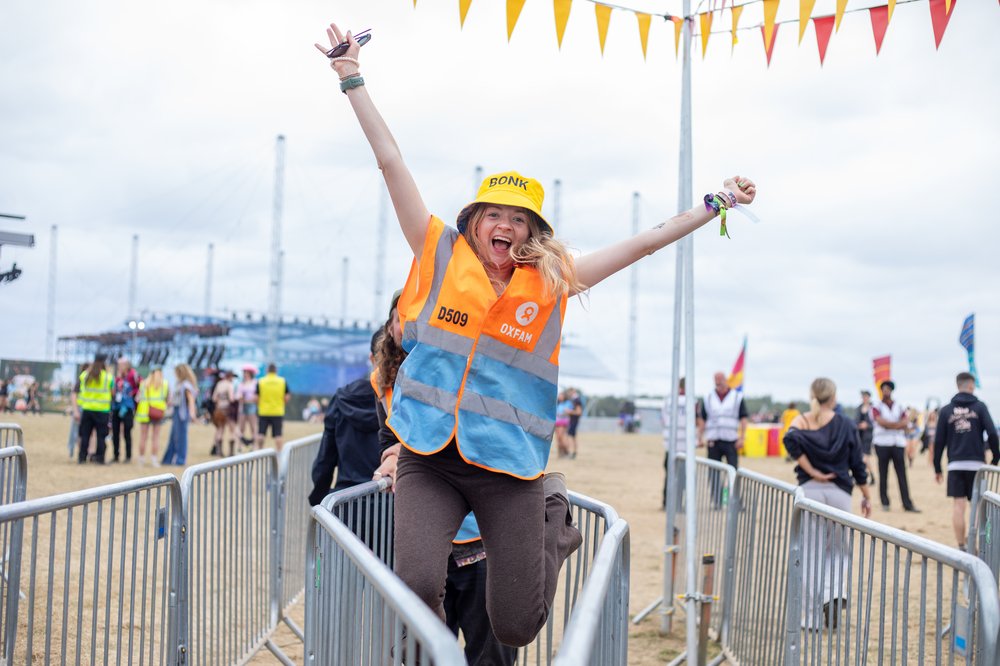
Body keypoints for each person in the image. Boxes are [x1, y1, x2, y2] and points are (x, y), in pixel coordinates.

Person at [315, 21, 757, 647]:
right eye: (493, 214)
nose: (503, 226)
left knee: (518, 627)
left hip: (512, 468)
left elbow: (645, 242)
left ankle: (555, 510)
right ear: (475, 221)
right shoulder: (439, 252)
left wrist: (716, 203)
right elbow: (391, 163)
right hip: (428, 457)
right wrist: (352, 78)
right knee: (414, 585)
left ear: (530, 233)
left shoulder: (553, 282)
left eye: (516, 220)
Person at [370, 294, 517, 666]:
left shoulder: (471, 370)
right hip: (426, 546)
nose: (413, 323)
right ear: (392, 326)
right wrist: (393, 455)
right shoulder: (385, 382)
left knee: (491, 656)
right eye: (404, 317)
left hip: (482, 541)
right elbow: (389, 441)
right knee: (424, 653)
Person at [783, 378, 872, 630]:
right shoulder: (845, 423)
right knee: (840, 549)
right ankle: (833, 593)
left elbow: (789, 441)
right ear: (833, 397)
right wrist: (866, 493)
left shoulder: (802, 420)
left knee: (811, 552)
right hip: (840, 493)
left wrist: (812, 471)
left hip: (809, 491)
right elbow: (857, 463)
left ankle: (811, 616)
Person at [309, 333, 383, 506]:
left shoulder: (342, 397)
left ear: (371, 358)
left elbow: (325, 460)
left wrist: (318, 498)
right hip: (390, 509)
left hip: (345, 504)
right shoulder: (403, 403)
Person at [933, 372, 999, 551]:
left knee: (958, 505)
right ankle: (972, 542)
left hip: (955, 464)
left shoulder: (946, 410)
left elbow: (939, 441)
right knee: (977, 505)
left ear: (957, 386)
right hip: (977, 464)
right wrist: (996, 456)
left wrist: (937, 467)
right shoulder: (979, 407)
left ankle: (961, 546)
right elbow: (992, 433)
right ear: (971, 386)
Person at [871, 380, 919, 512]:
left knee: (902, 474)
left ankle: (907, 503)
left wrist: (891, 425)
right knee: (883, 473)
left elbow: (903, 422)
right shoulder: (876, 406)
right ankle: (885, 502)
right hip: (882, 443)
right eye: (884, 389)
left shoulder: (899, 406)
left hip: (897, 443)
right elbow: (881, 422)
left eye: (888, 389)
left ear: (891, 391)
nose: (886, 391)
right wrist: (898, 425)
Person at [661, 378, 700, 509]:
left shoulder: (669, 400)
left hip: (671, 445)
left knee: (669, 475)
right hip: (686, 446)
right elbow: (698, 420)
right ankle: (680, 504)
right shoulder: (693, 401)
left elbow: (663, 420)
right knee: (684, 478)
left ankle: (666, 503)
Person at [699, 371, 748, 469]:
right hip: (713, 440)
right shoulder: (708, 397)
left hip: (731, 440)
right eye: (716, 383)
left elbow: (743, 418)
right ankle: (717, 485)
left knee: (732, 470)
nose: (718, 385)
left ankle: (730, 485)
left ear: (726, 380)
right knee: (713, 471)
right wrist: (700, 437)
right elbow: (703, 420)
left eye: (720, 382)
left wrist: (742, 438)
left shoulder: (736, 397)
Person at [72, 354, 113, 464]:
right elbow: (113, 392)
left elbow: (78, 391)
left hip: (87, 410)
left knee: (85, 435)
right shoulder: (108, 377)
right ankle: (99, 458)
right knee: (101, 436)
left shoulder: (84, 375)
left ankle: (82, 458)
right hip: (102, 411)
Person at [162, 363, 198, 466]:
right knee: (173, 436)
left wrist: (192, 414)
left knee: (181, 437)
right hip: (176, 411)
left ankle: (180, 460)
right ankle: (168, 459)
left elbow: (191, 400)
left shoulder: (186, 385)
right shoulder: (179, 383)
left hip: (182, 412)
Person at [135, 365, 169, 466]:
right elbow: (167, 399)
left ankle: (141, 459)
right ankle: (154, 460)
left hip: (144, 413)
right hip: (158, 413)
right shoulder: (165, 384)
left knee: (143, 437)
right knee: (155, 437)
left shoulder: (144, 383)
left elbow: (138, 398)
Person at [110, 357, 141, 463]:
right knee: (115, 432)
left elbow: (141, 386)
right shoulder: (117, 377)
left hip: (127, 408)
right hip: (116, 407)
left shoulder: (133, 375)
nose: (119, 366)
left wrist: (134, 396)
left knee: (127, 432)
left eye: (121, 364)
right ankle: (116, 455)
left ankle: (128, 456)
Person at [256, 363, 290, 452]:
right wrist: (281, 404)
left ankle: (260, 450)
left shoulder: (261, 381)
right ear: (276, 370)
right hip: (278, 411)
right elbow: (287, 397)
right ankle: (279, 453)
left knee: (261, 433)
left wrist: (260, 405)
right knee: (278, 434)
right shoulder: (282, 381)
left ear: (267, 370)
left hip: (263, 411)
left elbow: (256, 397)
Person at [210, 370, 236, 456]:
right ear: (230, 377)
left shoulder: (219, 384)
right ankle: (231, 452)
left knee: (220, 429)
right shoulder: (229, 385)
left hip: (218, 409)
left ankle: (218, 451)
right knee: (232, 430)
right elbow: (232, 398)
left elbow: (214, 398)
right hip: (228, 410)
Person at [236, 365, 259, 449]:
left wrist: (252, 400)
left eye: (246, 372)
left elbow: (258, 395)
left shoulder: (255, 383)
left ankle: (254, 445)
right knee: (241, 427)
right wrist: (241, 398)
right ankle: (239, 446)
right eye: (244, 372)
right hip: (243, 406)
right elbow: (238, 395)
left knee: (253, 427)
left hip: (252, 406)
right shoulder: (241, 384)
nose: (245, 374)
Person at [855, 390, 875, 480]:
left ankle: (865, 477)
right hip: (859, 435)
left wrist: (867, 425)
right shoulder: (859, 408)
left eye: (865, 396)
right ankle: (872, 476)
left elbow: (875, 423)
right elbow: (855, 421)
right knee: (863, 458)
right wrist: (858, 425)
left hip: (868, 436)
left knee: (864, 458)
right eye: (863, 397)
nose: (864, 398)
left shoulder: (873, 408)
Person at [565, 388, 584, 459]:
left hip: (574, 421)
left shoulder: (577, 400)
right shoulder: (575, 400)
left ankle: (572, 453)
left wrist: (569, 411)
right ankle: (573, 453)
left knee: (570, 437)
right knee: (572, 437)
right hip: (573, 421)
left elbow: (579, 412)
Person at [553, 391, 571, 458]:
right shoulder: (557, 404)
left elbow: (568, 412)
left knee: (561, 437)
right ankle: (560, 453)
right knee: (558, 438)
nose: (559, 397)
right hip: (557, 422)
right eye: (559, 395)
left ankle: (566, 452)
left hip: (563, 422)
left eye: (561, 395)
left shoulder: (568, 403)